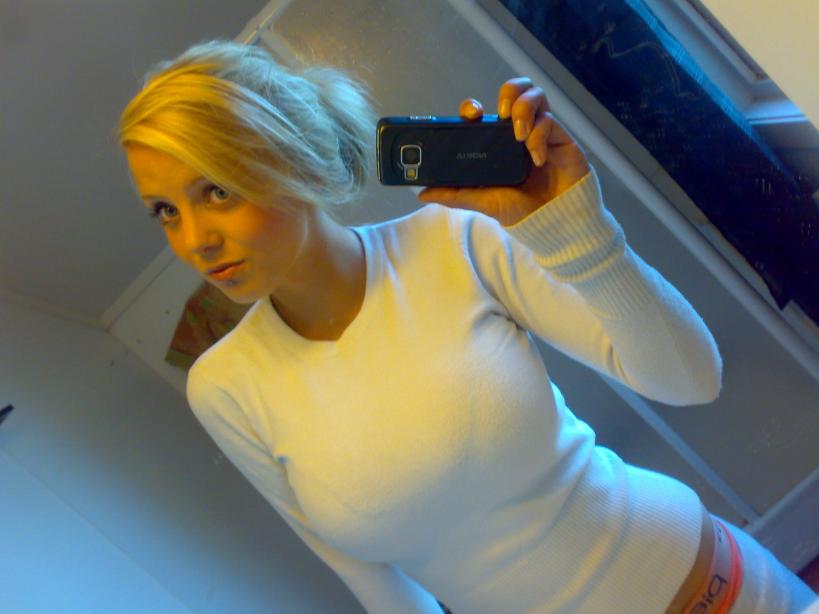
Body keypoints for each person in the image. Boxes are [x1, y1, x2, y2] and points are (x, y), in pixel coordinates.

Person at [119, 40, 816, 614]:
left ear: (290, 156)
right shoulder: (224, 387)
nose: (194, 240)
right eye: (165, 211)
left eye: (216, 190)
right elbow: (373, 582)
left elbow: (690, 380)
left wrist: (579, 233)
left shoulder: (452, 241)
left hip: (716, 590)